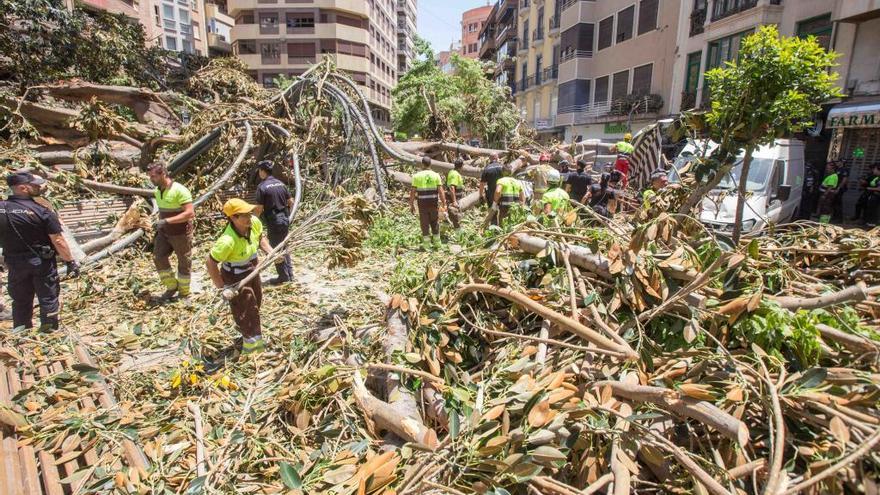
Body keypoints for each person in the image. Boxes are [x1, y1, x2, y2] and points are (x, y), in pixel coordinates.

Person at [0, 171, 80, 331]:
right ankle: (49, 332)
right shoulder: (42, 210)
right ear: (23, 188)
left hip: (14, 263)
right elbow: (58, 240)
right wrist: (70, 262)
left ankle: (21, 333)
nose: (39, 187)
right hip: (41, 263)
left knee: (20, 300)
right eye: (34, 185)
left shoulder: (1, 209)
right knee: (48, 298)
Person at [206, 199, 272, 355]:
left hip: (252, 269)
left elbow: (260, 238)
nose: (249, 217)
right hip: (235, 276)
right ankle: (252, 349)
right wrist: (223, 287)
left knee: (256, 301)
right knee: (248, 309)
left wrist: (270, 251)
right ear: (233, 218)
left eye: (249, 213)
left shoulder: (254, 223)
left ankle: (246, 329)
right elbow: (210, 262)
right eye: (243, 215)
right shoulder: (227, 241)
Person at [148, 162, 195, 301]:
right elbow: (163, 211)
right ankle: (171, 286)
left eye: (154, 176)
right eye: (149, 177)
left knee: (184, 261)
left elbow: (189, 213)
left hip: (180, 233)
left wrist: (167, 221)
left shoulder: (180, 190)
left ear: (163, 174)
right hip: (164, 232)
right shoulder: (157, 191)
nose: (151, 179)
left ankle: (184, 292)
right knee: (158, 257)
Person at [255, 160, 293, 285]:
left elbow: (259, 209)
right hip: (285, 219)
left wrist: (253, 221)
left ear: (262, 171)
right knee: (284, 246)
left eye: (259, 170)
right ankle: (290, 274)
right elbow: (291, 202)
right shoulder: (281, 184)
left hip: (274, 221)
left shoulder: (262, 187)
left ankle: (283, 276)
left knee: (275, 248)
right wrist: (288, 215)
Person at [410, 156, 446, 249]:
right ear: (430, 164)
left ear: (422, 164)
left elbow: (413, 192)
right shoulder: (436, 175)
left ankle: (426, 246)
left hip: (422, 204)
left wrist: (411, 205)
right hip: (433, 203)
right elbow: (441, 191)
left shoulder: (416, 176)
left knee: (424, 223)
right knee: (435, 222)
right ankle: (437, 244)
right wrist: (444, 203)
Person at [446, 158, 465, 229]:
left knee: (450, 216)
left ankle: (442, 232)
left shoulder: (453, 172)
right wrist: (454, 201)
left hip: (455, 198)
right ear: (461, 166)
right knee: (455, 216)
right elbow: (452, 187)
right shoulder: (454, 174)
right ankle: (459, 235)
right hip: (453, 199)